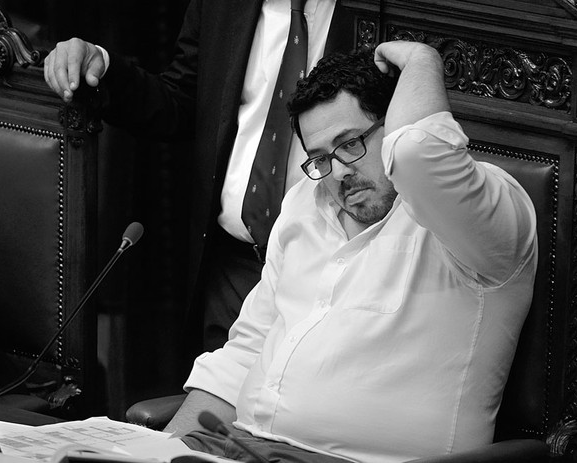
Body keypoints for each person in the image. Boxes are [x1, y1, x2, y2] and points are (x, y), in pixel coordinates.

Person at [156, 40, 538, 462]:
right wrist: (158, 453)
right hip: (238, 446)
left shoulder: (485, 216)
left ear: (394, 125)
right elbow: (247, 351)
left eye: (351, 143)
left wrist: (422, 60)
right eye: (320, 157)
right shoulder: (305, 202)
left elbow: (417, 156)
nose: (338, 172)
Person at [43, 0, 354, 358]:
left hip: (330, 272)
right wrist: (103, 66)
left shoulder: (382, 14)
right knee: (215, 406)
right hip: (233, 269)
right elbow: (181, 102)